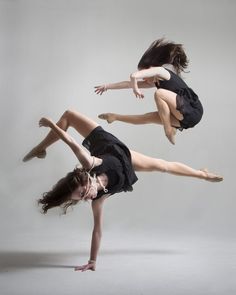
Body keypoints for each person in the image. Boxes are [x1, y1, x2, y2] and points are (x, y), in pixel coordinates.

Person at [22, 109, 222, 272]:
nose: (86, 198)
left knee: (68, 115)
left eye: (83, 193)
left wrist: (51, 124)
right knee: (162, 166)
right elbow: (97, 231)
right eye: (80, 199)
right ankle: (202, 174)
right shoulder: (98, 200)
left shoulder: (91, 163)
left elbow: (72, 143)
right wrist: (92, 261)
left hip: (108, 146)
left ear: (87, 180)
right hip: (126, 163)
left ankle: (202, 174)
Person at [95, 38, 203, 145]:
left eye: (145, 74)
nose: (144, 79)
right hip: (184, 119)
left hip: (192, 110)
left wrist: (136, 89)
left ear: (150, 69)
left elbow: (134, 76)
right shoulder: (154, 82)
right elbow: (129, 83)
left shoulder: (161, 71)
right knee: (147, 117)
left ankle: (168, 130)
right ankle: (114, 116)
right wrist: (107, 86)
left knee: (159, 93)